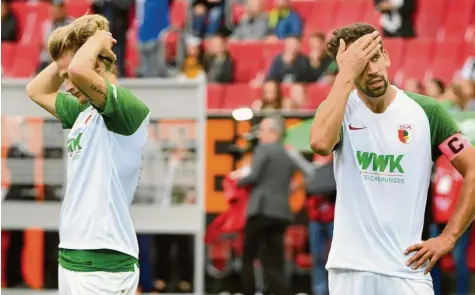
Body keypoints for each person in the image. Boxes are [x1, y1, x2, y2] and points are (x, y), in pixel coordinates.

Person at [309, 22, 475, 295]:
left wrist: (448, 238)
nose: (372, 70)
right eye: (360, 64)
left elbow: (472, 169)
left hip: (408, 271)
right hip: (351, 269)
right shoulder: (338, 109)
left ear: (386, 56)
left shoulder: (427, 111)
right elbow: (320, 144)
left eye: (375, 57)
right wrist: (344, 76)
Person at [25, 14, 150, 294]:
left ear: (96, 63)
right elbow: (35, 90)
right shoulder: (83, 112)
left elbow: (81, 72)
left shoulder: (128, 109)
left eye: (69, 77)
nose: (67, 84)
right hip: (71, 253)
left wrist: (96, 39)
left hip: (106, 262)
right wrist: (64, 61)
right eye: (64, 77)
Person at [233, 115, 298, 295]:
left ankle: (249, 291)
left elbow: (254, 176)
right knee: (275, 261)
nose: (259, 134)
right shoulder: (287, 153)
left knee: (248, 257)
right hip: (282, 213)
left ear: (273, 132)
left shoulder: (263, 149)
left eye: (262, 130)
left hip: (261, 210)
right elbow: (301, 176)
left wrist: (237, 179)